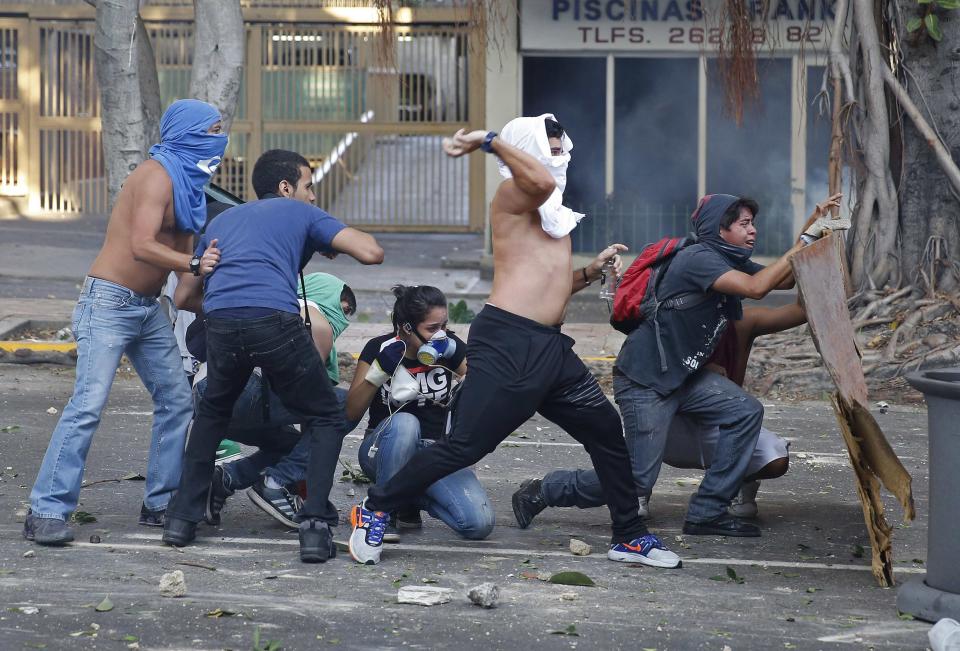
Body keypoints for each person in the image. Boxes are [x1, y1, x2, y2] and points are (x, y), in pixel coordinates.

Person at [347, 114, 680, 569]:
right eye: (551, 146)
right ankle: (376, 507)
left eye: (564, 146)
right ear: (526, 148)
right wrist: (490, 141)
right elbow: (538, 180)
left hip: (549, 349)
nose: (561, 155)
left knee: (606, 433)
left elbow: (548, 287)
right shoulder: (512, 196)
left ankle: (630, 536)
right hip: (508, 344)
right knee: (464, 446)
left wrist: (589, 271)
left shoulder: (552, 212)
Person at [514, 192, 841, 539]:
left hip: (683, 376)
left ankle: (707, 512)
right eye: (744, 224)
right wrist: (805, 239)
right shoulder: (699, 258)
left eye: (752, 223)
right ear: (719, 228)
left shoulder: (728, 257)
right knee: (636, 479)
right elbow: (758, 288)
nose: (753, 231)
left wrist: (812, 226)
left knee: (745, 411)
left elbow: (786, 279)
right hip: (646, 380)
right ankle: (544, 490)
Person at [161, 149, 383, 565]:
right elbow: (372, 252)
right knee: (327, 416)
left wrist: (236, 312)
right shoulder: (300, 214)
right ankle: (314, 526)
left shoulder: (221, 221)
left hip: (223, 325)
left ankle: (181, 520)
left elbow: (184, 296)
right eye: (309, 186)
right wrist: (322, 236)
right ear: (286, 188)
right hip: (276, 323)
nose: (313, 197)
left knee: (211, 416)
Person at [24, 99, 227, 546]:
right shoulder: (154, 176)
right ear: (188, 131)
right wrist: (194, 263)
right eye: (211, 130)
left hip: (148, 307)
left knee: (177, 399)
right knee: (86, 407)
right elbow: (141, 245)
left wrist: (224, 309)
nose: (219, 140)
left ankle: (160, 502)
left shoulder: (191, 185)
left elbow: (185, 277)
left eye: (220, 131)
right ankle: (45, 510)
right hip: (108, 303)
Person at [511, 300, 810, 527]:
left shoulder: (740, 318)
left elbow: (795, 302)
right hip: (668, 423)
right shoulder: (673, 317)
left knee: (764, 440)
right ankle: (549, 489)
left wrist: (818, 235)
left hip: (718, 427)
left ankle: (719, 495)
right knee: (637, 477)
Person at [186, 273, 360, 529]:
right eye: (342, 307)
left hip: (208, 397)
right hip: (249, 392)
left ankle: (224, 479)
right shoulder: (312, 318)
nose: (343, 319)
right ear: (323, 295)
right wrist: (313, 497)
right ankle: (275, 483)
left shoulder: (268, 301)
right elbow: (317, 408)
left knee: (294, 445)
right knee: (345, 404)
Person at [348, 284, 492, 542]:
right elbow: (350, 413)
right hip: (382, 449)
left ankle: (407, 499)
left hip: (433, 454)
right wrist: (378, 373)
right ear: (406, 327)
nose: (441, 334)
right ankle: (381, 512)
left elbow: (485, 396)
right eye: (432, 328)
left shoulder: (450, 348)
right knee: (405, 423)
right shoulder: (379, 348)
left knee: (478, 524)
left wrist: (467, 374)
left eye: (444, 326)